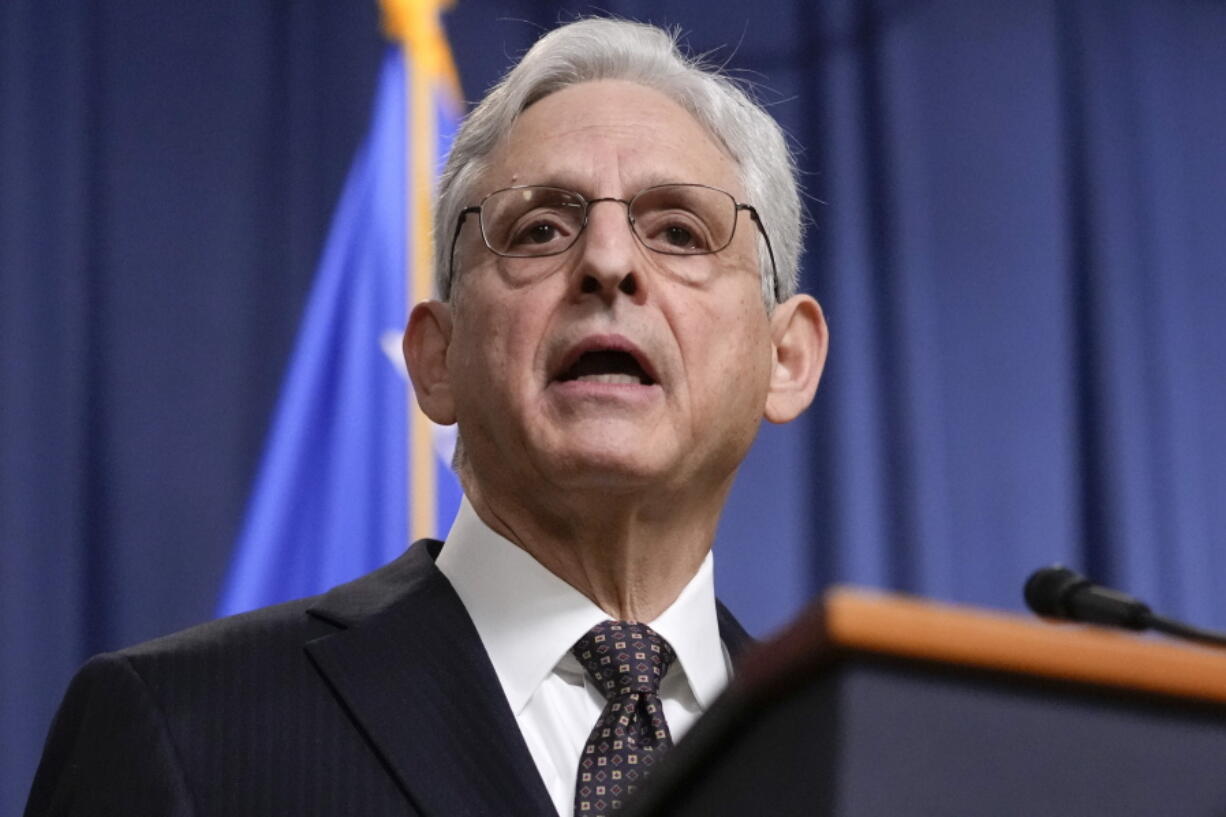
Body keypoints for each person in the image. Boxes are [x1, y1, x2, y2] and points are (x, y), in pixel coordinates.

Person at [25, 17, 827, 817]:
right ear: (435, 359)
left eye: (679, 231)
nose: (609, 263)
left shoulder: (859, 768)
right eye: (541, 229)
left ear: (785, 357)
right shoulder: (183, 727)